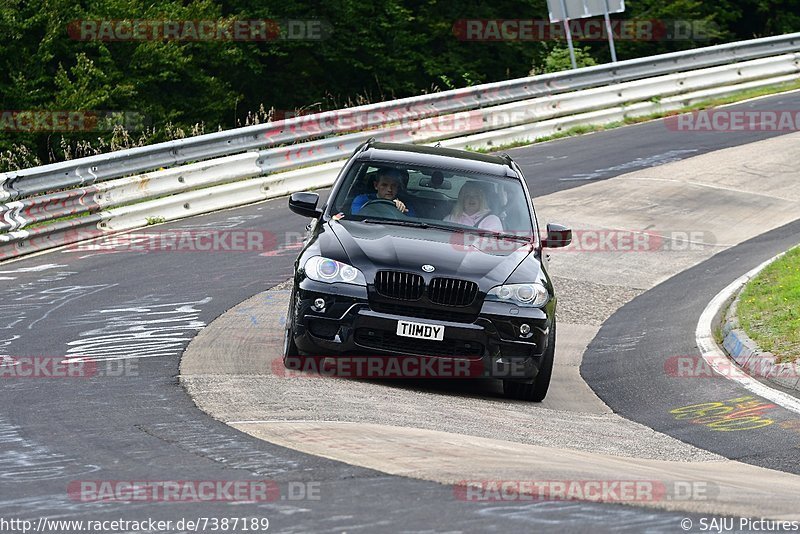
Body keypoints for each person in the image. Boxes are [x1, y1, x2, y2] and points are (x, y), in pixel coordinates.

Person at [351, 168, 416, 216]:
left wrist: (401, 210)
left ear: (397, 187)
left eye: (393, 185)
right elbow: (357, 219)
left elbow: (411, 224)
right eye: (384, 185)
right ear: (376, 185)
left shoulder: (405, 203)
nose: (389, 189)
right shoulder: (362, 200)